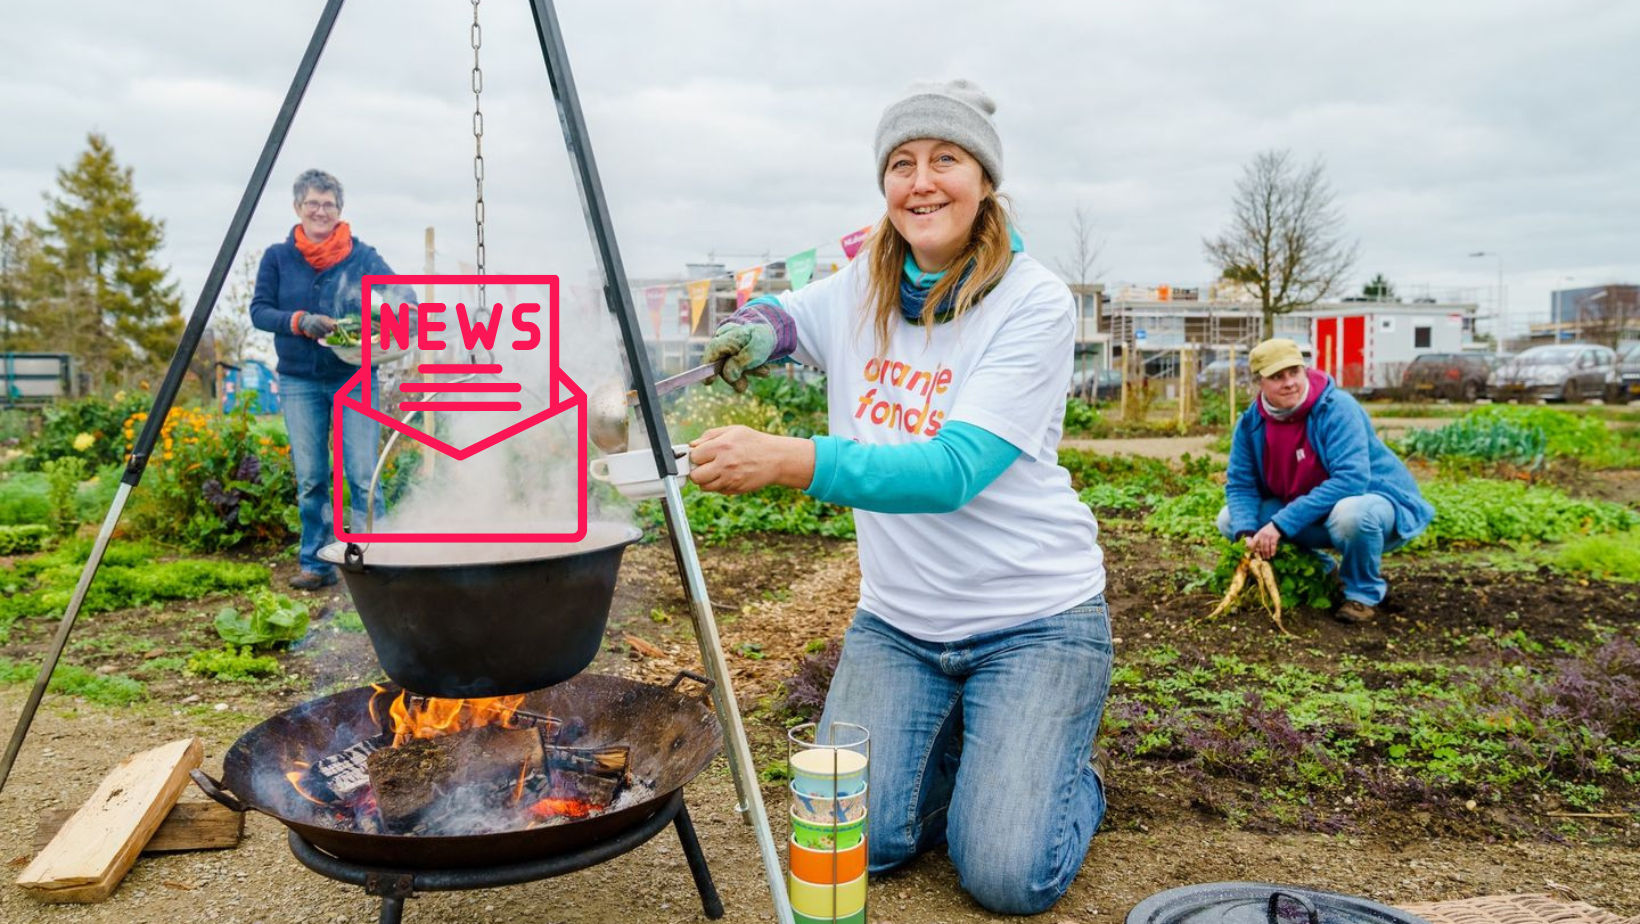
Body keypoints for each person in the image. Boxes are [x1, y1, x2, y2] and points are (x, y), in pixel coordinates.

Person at [686, 80, 1111, 915]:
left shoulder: (1033, 302)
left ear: (983, 180)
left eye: (945, 160)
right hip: (900, 625)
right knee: (857, 844)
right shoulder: (861, 283)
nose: (923, 182)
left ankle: (1061, 774)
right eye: (902, 163)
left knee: (1003, 876)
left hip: (1035, 619)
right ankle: (980, 753)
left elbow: (953, 471)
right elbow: (787, 314)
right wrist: (757, 327)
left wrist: (790, 459)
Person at [249, 169, 398, 590]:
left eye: (328, 204)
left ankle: (377, 559)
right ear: (298, 208)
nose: (320, 210)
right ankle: (316, 562)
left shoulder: (362, 256)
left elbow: (401, 295)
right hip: (300, 380)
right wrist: (299, 321)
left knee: (364, 473)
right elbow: (259, 311)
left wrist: (390, 318)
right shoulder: (278, 258)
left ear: (339, 211)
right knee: (312, 476)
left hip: (355, 376)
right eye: (312, 203)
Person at [1216, 337, 1435, 623]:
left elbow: (1351, 480)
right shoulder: (1250, 424)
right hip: (1310, 514)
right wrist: (1247, 533)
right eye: (1277, 377)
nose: (1289, 382)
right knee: (1230, 519)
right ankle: (1323, 571)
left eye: (1294, 372)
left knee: (1352, 513)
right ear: (1260, 382)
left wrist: (1280, 523)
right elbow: (1242, 484)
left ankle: (1361, 594)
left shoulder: (1336, 407)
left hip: (1376, 509)